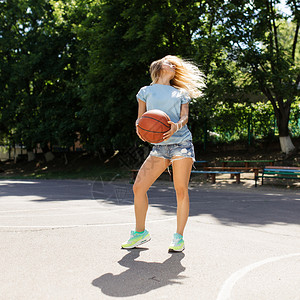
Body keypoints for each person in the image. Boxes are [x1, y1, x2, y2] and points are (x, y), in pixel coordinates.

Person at [121, 55, 206, 252]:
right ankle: (140, 232)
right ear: (158, 67)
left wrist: (177, 125)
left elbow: (184, 116)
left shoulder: (181, 93)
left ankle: (178, 238)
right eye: (170, 63)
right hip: (159, 147)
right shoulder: (145, 91)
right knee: (138, 187)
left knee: (180, 190)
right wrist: (139, 127)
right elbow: (141, 117)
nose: (173, 67)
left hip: (181, 144)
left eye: (175, 66)